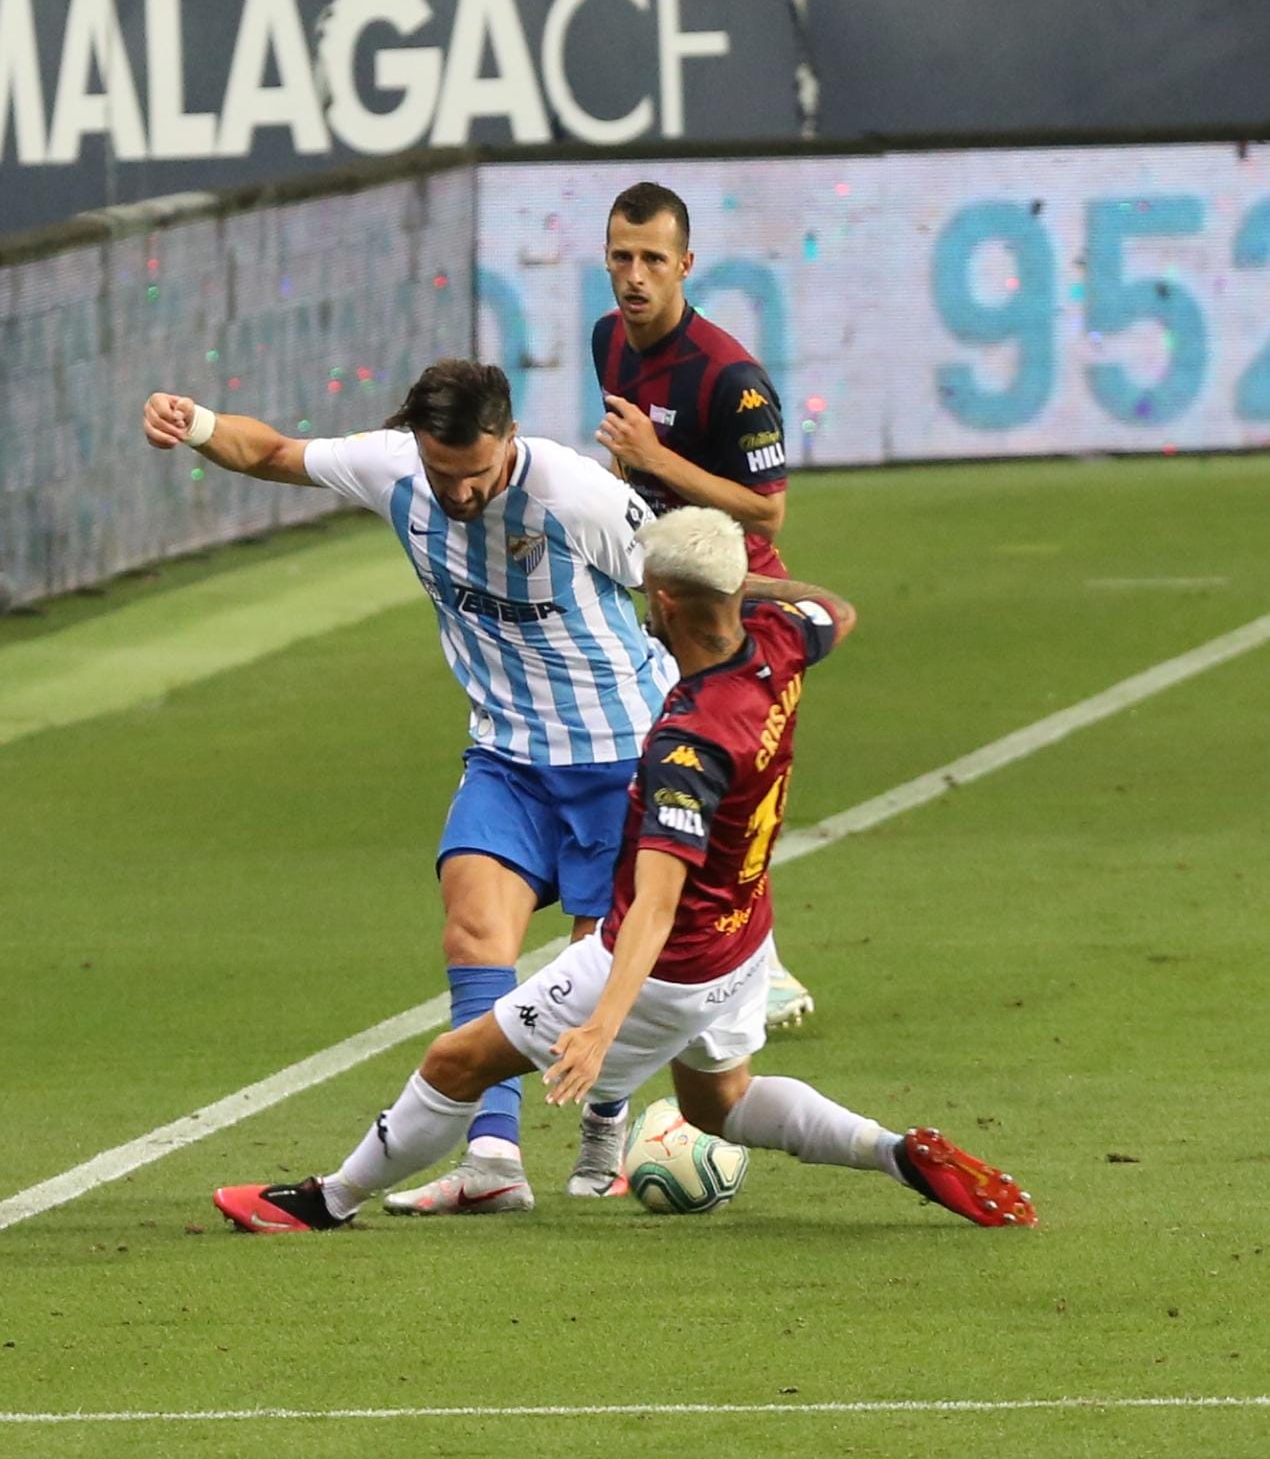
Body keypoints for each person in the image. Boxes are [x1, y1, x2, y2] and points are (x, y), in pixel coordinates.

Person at [213, 508, 1038, 1236]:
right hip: (745, 940)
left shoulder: (689, 740)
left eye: (647, 587)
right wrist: (739, 582)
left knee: (453, 1063)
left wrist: (604, 1023)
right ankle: (895, 1154)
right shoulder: (781, 644)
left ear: (667, 601)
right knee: (721, 1104)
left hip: (666, 967)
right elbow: (838, 609)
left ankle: (327, 1202)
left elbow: (654, 904)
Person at [143, 359, 677, 1212]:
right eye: (443, 474)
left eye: (476, 474)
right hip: (505, 756)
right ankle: (494, 1158)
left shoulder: (575, 496)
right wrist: (198, 422)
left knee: (590, 972)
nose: (459, 494)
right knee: (473, 931)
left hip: (622, 755)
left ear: (508, 439)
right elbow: (275, 453)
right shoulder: (395, 468)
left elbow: (680, 577)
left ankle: (605, 1121)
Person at [592, 180, 814, 1030]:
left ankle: (760, 958)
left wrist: (657, 457)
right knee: (656, 773)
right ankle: (668, 945)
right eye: (622, 256)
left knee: (719, 781)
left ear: (686, 263)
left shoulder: (732, 378)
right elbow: (626, 462)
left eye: (653, 258)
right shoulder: (608, 340)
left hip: (736, 606)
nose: (636, 275)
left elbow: (767, 510)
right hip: (661, 592)